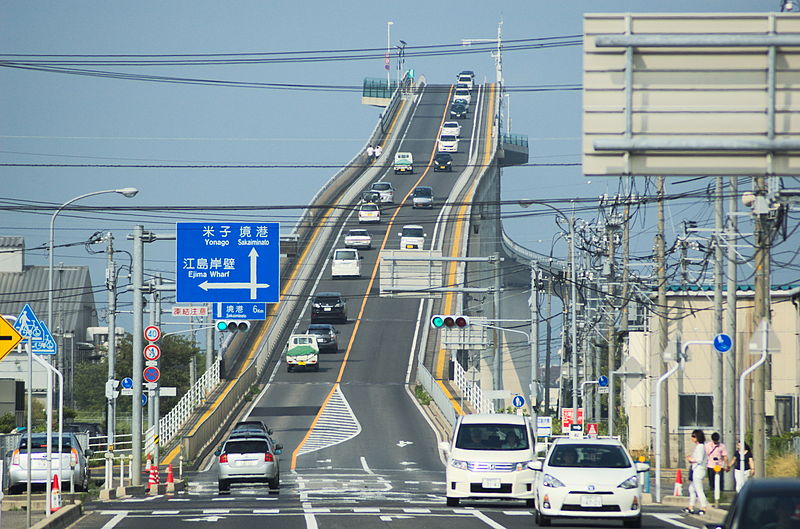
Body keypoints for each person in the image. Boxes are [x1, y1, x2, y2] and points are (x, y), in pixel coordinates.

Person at [684, 429, 709, 516]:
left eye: (694, 436)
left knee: (699, 489)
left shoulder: (701, 446)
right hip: (696, 469)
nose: (692, 438)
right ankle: (691, 506)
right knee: (692, 489)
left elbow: (699, 459)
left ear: (698, 437)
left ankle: (704, 507)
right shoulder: (699, 446)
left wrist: (691, 459)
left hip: (699, 470)